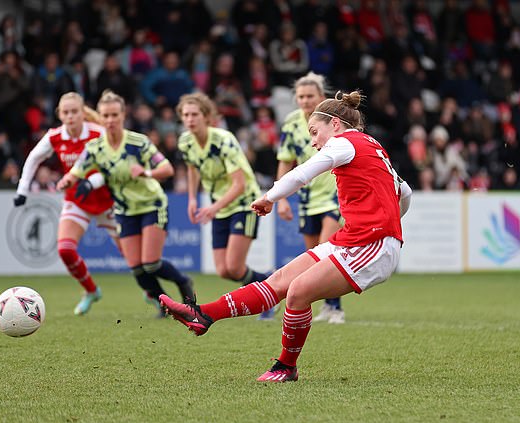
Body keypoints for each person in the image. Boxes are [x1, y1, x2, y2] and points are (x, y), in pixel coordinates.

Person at [161, 90, 412, 382]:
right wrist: (391, 221)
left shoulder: (344, 142)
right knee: (279, 282)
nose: (313, 141)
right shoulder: (371, 145)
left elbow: (302, 173)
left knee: (297, 292)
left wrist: (270, 197)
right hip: (357, 238)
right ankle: (203, 314)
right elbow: (404, 193)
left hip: (371, 244)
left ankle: (285, 366)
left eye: (315, 132)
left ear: (335, 124)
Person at [57, 90, 195, 317]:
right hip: (124, 210)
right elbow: (77, 171)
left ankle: (184, 283)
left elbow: (167, 169)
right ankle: (167, 305)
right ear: (101, 118)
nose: (110, 120)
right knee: (137, 269)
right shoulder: (95, 147)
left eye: (114, 115)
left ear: (123, 116)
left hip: (152, 205)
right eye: (106, 116)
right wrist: (68, 180)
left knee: (150, 263)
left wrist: (146, 172)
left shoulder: (137, 142)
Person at [14, 92, 120, 316]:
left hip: (106, 199)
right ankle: (91, 291)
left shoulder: (97, 133)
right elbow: (33, 158)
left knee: (132, 255)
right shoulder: (55, 136)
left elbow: (112, 166)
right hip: (77, 200)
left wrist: (92, 182)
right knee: (65, 250)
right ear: (60, 115)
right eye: (66, 112)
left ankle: (151, 294)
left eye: (74, 112)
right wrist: (22, 189)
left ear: (82, 113)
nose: (70, 116)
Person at [175, 92, 272, 319]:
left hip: (244, 203)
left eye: (195, 114)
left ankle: (269, 294)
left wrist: (213, 207)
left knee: (235, 267)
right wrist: (191, 198)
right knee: (223, 270)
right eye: (186, 115)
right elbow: (192, 168)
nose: (190, 119)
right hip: (219, 205)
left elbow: (239, 185)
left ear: (207, 116)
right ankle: (268, 281)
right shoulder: (185, 141)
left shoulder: (223, 140)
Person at [277, 72, 345, 324]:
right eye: (301, 96)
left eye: (310, 96)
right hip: (306, 199)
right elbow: (285, 160)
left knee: (328, 251)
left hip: (333, 195)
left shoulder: (333, 122)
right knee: (314, 256)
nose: (305, 100)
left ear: (321, 97)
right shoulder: (291, 124)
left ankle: (336, 308)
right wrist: (281, 198)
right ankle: (326, 305)